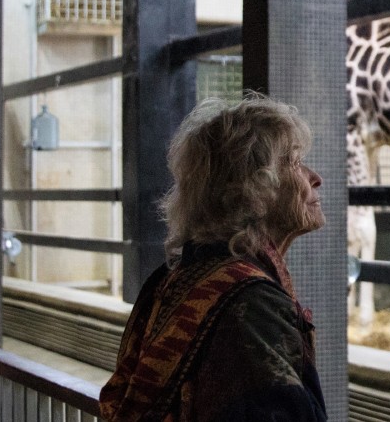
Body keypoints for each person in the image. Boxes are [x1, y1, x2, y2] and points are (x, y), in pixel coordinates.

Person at [101, 96, 327, 422]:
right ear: (252, 189)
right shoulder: (252, 301)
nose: (314, 176)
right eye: (293, 162)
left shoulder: (173, 278)